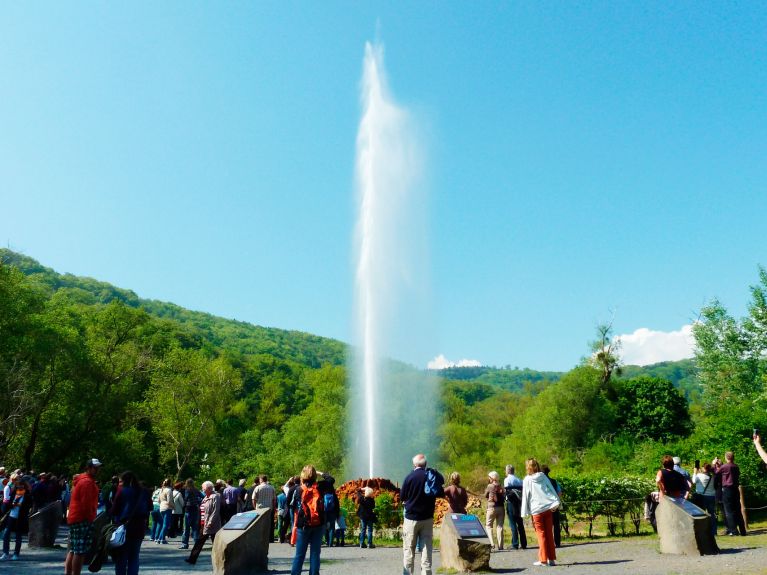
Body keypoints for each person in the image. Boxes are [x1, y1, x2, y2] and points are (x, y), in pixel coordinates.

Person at [400, 453, 444, 575]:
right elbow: (440, 492)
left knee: (409, 549)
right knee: (426, 548)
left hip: (411, 518)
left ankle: (408, 572)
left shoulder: (409, 477)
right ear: (426, 464)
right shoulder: (430, 476)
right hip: (427, 518)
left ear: (414, 464)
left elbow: (402, 496)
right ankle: (426, 572)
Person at [64, 458, 102, 575]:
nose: (97, 470)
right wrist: (91, 517)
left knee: (73, 549)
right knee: (80, 551)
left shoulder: (82, 480)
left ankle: (68, 573)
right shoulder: (87, 482)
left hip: (75, 517)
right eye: (95, 468)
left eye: (98, 468)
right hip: (82, 518)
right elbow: (86, 503)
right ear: (89, 468)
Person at [521, 458, 560, 567]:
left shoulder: (527, 480)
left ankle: (543, 560)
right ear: (537, 466)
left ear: (528, 467)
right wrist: (556, 502)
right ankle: (551, 559)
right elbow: (551, 489)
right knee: (549, 534)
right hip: (547, 508)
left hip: (536, 511)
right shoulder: (543, 476)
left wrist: (525, 512)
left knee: (541, 535)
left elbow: (525, 496)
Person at [110, 471, 151, 575]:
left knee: (122, 557)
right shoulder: (144, 491)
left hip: (124, 527)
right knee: (134, 557)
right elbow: (149, 507)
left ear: (123, 481)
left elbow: (114, 510)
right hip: (139, 526)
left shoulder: (122, 491)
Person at [290, 465, 325, 575]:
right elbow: (331, 479)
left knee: (299, 554)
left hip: (303, 525)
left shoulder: (298, 489)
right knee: (315, 553)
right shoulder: (320, 487)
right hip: (318, 523)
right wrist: (320, 473)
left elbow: (290, 505)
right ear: (314, 475)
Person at [185, 480, 222, 564]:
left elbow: (216, 511)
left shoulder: (215, 496)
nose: (202, 489)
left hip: (211, 524)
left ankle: (220, 560)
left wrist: (210, 522)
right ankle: (192, 559)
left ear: (209, 488)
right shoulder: (206, 497)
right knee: (199, 541)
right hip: (204, 523)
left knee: (215, 543)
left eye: (203, 488)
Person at [714, 451, 747, 536]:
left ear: (726, 457)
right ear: (733, 457)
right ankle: (743, 531)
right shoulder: (736, 466)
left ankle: (734, 531)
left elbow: (716, 474)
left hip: (727, 489)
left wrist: (714, 465)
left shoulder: (724, 466)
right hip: (735, 489)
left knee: (729, 511)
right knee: (738, 510)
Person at [0, 477, 31, 561]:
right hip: (11, 515)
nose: (19, 488)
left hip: (20, 517)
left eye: (21, 486)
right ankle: (5, 553)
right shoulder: (14, 492)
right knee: (6, 534)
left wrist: (21, 505)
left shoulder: (27, 495)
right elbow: (9, 504)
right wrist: (12, 504)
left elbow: (29, 506)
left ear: (24, 486)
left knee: (18, 536)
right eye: (18, 486)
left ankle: (16, 554)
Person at [503, 464, 527, 550]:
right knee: (520, 524)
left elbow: (507, 492)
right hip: (519, 504)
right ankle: (524, 543)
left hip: (511, 503)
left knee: (513, 524)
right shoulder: (519, 480)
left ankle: (515, 544)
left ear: (508, 471)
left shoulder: (507, 480)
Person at [692, 462, 717, 539]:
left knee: (701, 514)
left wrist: (695, 472)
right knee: (712, 514)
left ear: (703, 468)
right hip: (711, 496)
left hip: (702, 497)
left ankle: (702, 530)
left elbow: (693, 481)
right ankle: (713, 531)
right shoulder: (712, 477)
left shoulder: (699, 476)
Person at [541, 465, 563, 548]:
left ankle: (547, 543)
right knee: (556, 524)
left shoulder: (542, 482)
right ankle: (557, 542)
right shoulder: (554, 481)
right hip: (554, 505)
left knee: (547, 526)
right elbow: (560, 492)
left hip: (545, 506)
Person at [484, 471, 505, 551]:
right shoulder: (500, 486)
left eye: (489, 477)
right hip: (501, 508)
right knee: (499, 527)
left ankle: (492, 544)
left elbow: (485, 495)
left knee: (488, 526)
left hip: (491, 508)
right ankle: (501, 546)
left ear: (492, 478)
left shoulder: (490, 486)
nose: (488, 478)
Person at [253, 475, 277, 542]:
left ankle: (260, 538)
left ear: (261, 480)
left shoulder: (257, 487)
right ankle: (269, 538)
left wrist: (255, 507)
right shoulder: (272, 488)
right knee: (269, 524)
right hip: (269, 508)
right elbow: (274, 500)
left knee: (260, 524)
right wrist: (274, 508)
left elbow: (253, 499)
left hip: (259, 509)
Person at [180, 479, 201, 550]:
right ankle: (196, 544)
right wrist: (198, 502)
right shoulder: (196, 490)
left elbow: (186, 498)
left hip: (188, 509)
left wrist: (183, 505)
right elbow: (202, 496)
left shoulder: (187, 490)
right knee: (195, 528)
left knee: (186, 528)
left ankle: (185, 544)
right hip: (195, 509)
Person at [155, 478, 174, 544]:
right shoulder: (169, 490)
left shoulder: (161, 490)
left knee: (164, 524)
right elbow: (169, 501)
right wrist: (173, 507)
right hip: (167, 507)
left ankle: (159, 539)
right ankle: (162, 539)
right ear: (170, 483)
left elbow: (158, 500)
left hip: (161, 507)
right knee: (166, 524)